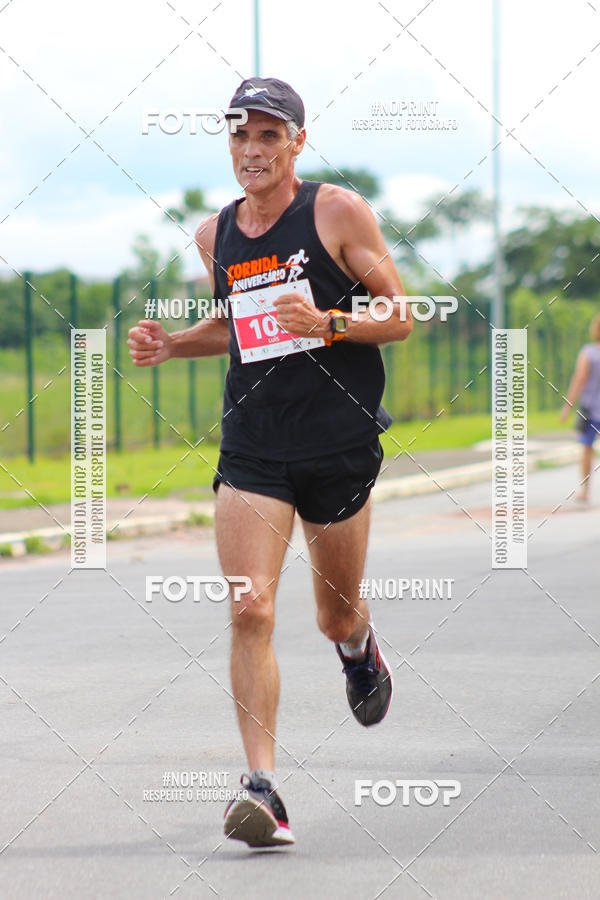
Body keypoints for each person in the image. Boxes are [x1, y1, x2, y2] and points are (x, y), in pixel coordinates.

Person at [127, 76, 412, 847]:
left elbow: (400, 313)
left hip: (337, 439)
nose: (252, 149)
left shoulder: (336, 212)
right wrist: (174, 343)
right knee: (250, 607)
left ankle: (357, 648)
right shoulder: (216, 235)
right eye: (239, 135)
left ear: (296, 142)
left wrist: (328, 322)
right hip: (254, 442)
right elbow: (239, 327)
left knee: (334, 612)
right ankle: (262, 788)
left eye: (267, 134)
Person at [560, 314, 600, 502]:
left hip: (591, 409)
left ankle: (585, 491)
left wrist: (567, 407)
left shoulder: (589, 352)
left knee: (586, 448)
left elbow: (579, 380)